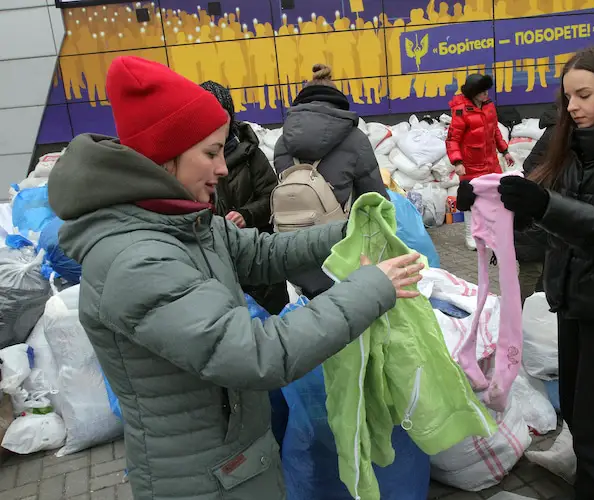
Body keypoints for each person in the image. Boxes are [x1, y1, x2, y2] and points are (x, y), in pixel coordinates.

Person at [46, 56, 423, 500]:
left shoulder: (183, 222)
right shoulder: (136, 258)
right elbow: (257, 354)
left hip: (235, 464)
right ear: (162, 160)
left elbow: (263, 253)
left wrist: (345, 229)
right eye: (210, 153)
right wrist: (371, 288)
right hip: (200, 482)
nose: (223, 168)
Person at [457, 45, 594, 500]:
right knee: (577, 413)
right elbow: (527, 198)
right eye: (568, 97)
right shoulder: (566, 151)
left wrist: (546, 205)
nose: (572, 107)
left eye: (583, 95)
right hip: (573, 303)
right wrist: (481, 198)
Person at [274, 63, 388, 298]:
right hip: (337, 252)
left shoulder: (282, 142)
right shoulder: (355, 139)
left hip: (291, 250)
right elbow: (375, 198)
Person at [200, 80, 289, 314]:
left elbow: (273, 197)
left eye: (220, 117)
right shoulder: (192, 161)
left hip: (258, 261)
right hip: (218, 266)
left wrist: (245, 215)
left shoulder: (250, 154)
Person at [447, 73, 514, 250]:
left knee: (494, 197)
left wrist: (505, 150)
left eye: (486, 90)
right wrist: (457, 162)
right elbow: (452, 139)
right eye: (482, 91)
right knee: (470, 200)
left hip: (491, 161)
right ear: (473, 92)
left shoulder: (489, 106)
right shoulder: (461, 111)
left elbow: (495, 132)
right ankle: (471, 234)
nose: (486, 94)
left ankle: (490, 233)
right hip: (470, 164)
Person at [515, 105, 557, 301]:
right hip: (535, 220)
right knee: (532, 272)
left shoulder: (555, 132)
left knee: (541, 272)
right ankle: (518, 316)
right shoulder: (560, 134)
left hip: (535, 217)